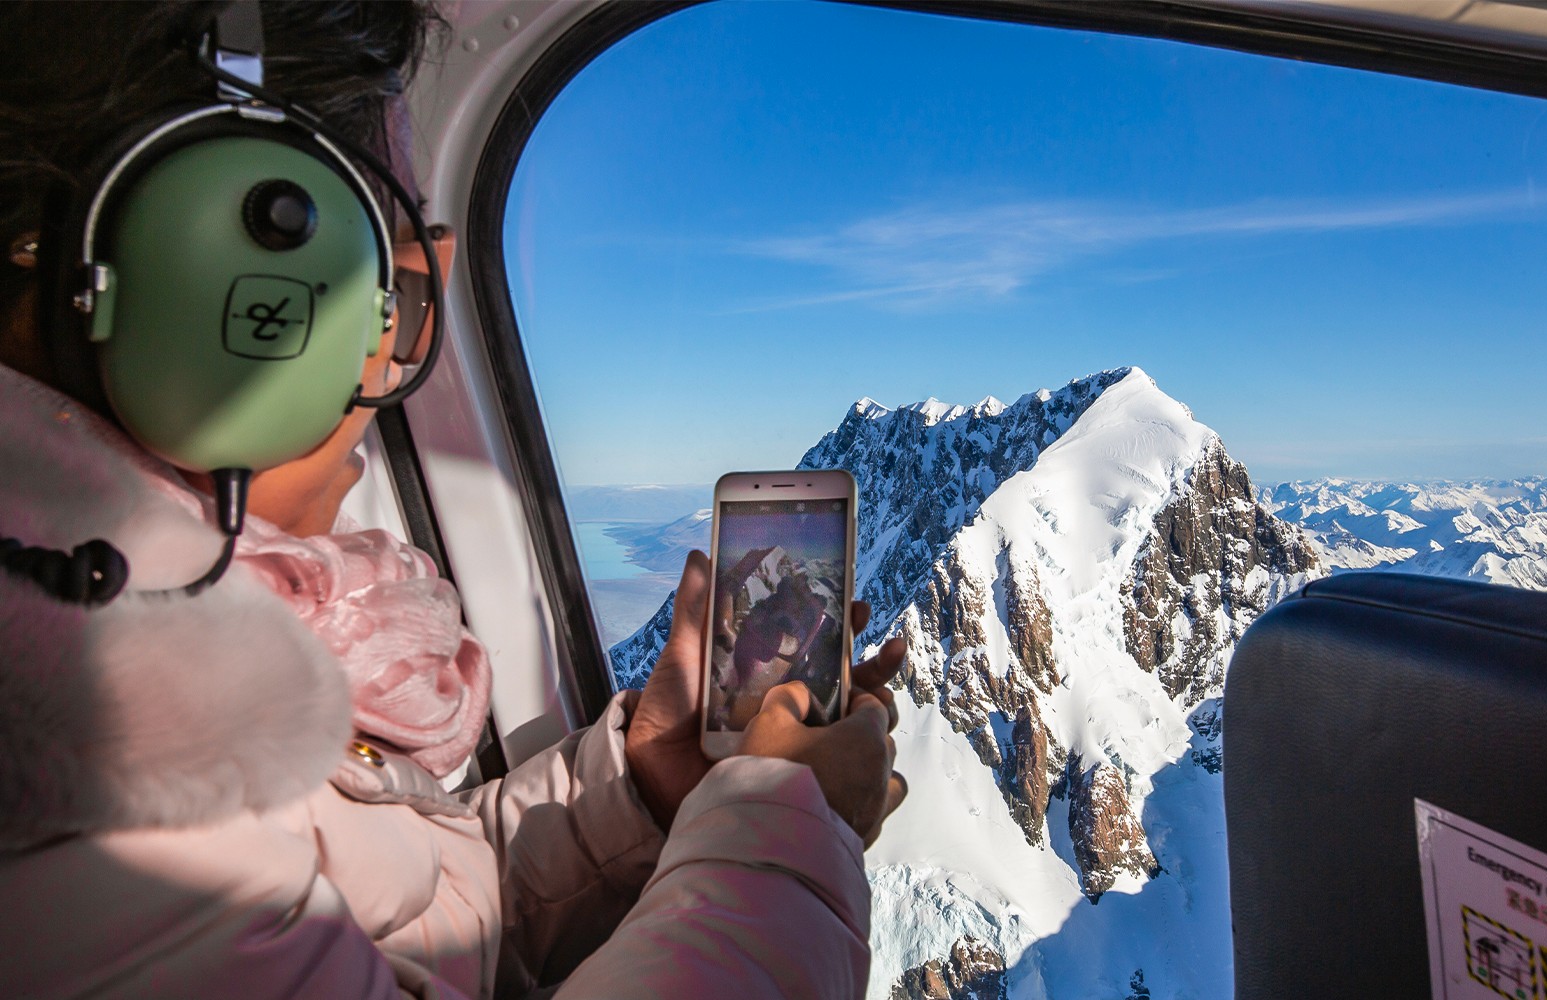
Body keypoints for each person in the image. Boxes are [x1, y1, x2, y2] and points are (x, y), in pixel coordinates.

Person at [0, 3, 906, 998]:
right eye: (384, 285)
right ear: (232, 287)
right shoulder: (95, 763)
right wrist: (778, 830)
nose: (398, 358)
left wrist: (647, 793)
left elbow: (407, 927)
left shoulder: (137, 682)